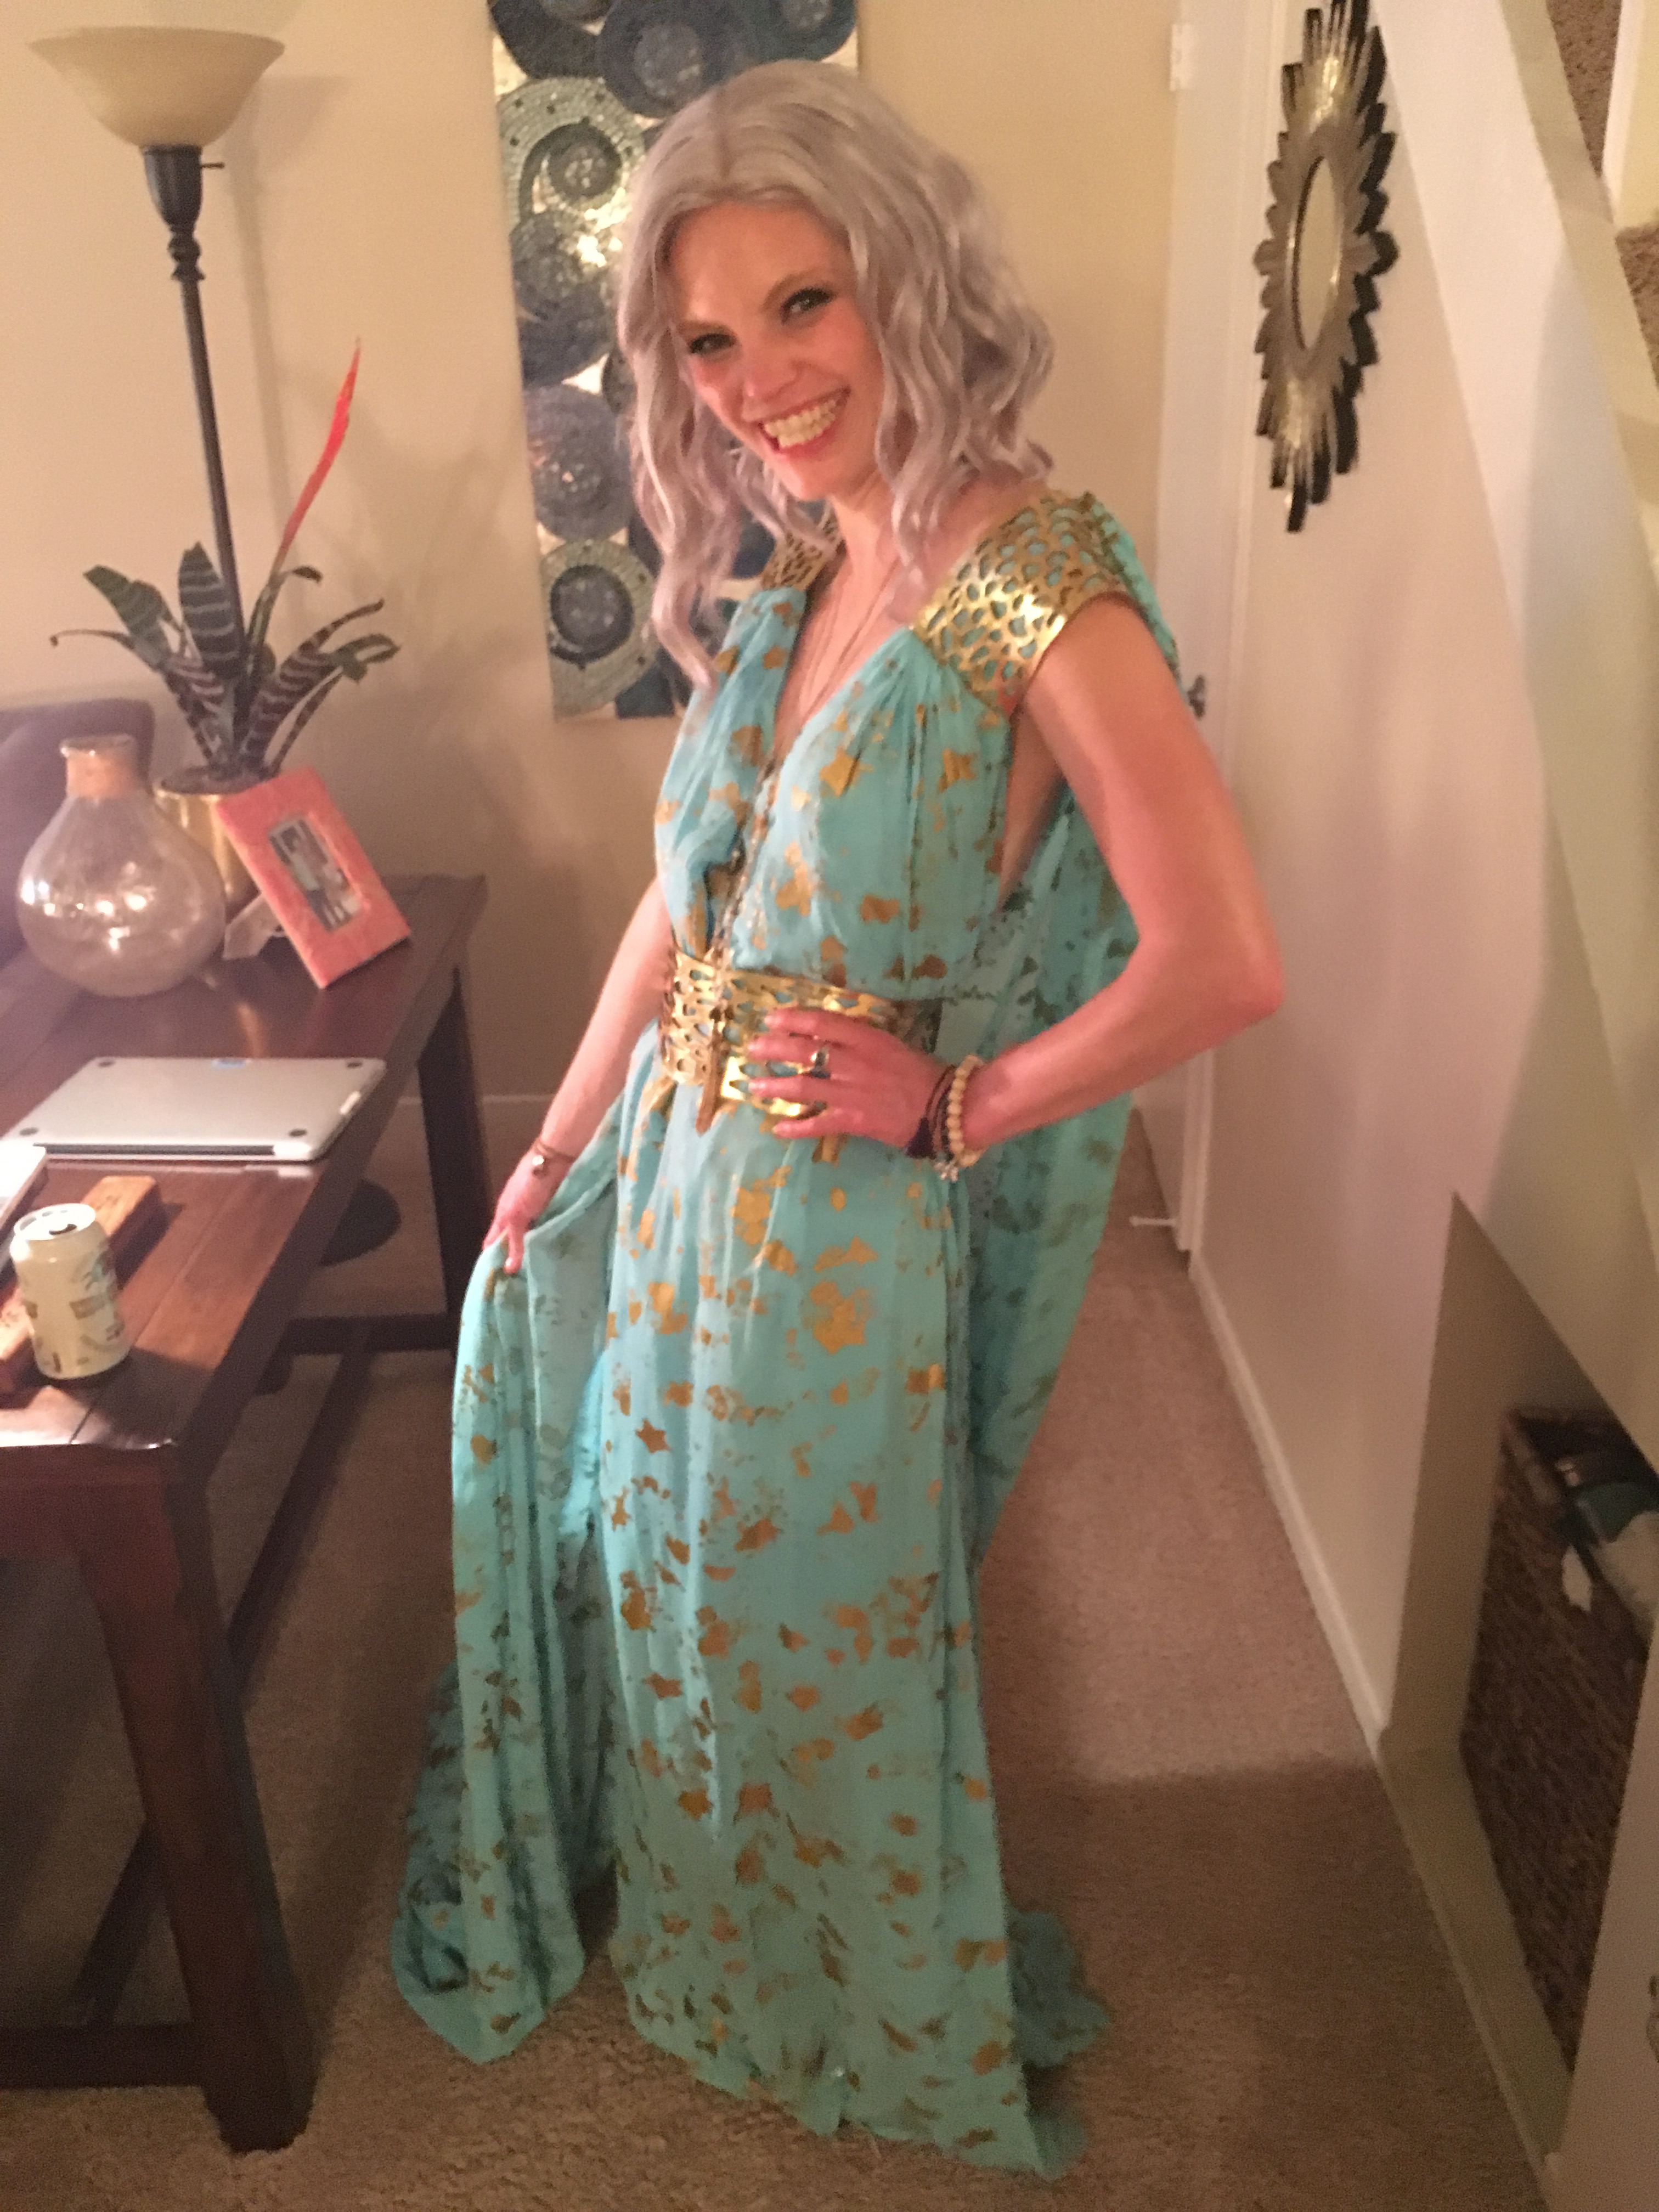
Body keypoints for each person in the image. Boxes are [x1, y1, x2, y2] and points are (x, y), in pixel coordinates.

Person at [393, 60, 1281, 2176]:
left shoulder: (1028, 577)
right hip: (686, 1176)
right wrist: (560, 1139)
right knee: (673, 1580)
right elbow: (678, 907)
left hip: (841, 1235)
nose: (758, 380)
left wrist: (962, 1099)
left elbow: (1223, 960)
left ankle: (840, 1992)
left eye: (805, 304)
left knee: (805, 1634)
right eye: (708, 339)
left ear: (910, 281)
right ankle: (711, 1930)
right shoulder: (807, 563)